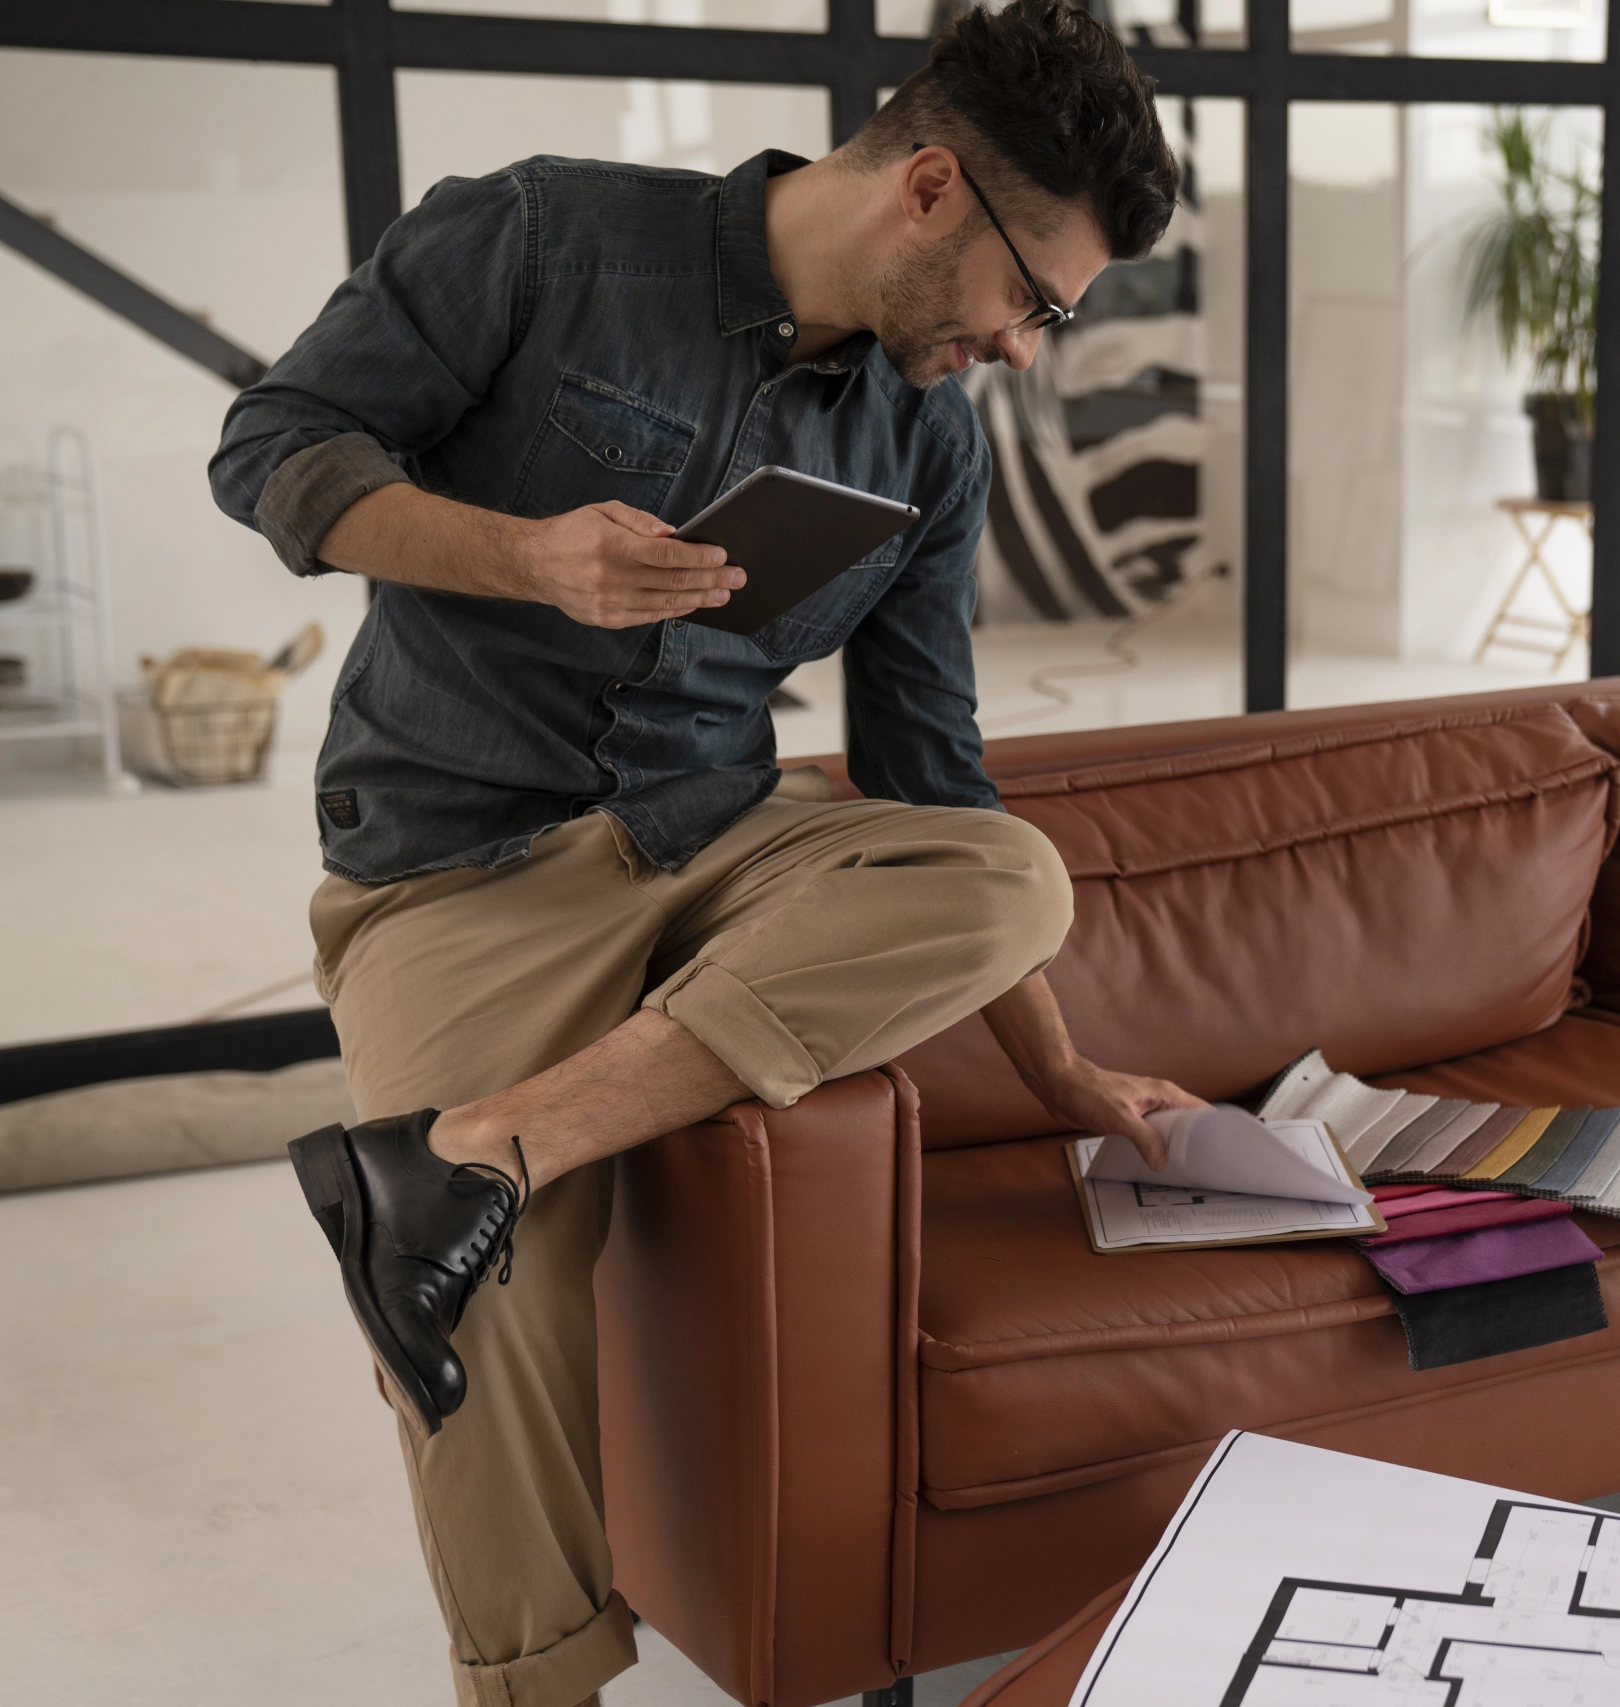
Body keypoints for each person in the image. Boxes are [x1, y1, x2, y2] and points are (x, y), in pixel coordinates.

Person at [206, 5, 1200, 1702]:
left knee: (1012, 875)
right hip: (453, 860)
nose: (1029, 350)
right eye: (1032, 300)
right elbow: (273, 453)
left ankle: (491, 1145)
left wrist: (1064, 1070)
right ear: (933, 190)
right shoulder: (540, 232)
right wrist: (530, 559)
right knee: (472, 1308)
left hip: (717, 840)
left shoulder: (930, 441)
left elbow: (931, 775)